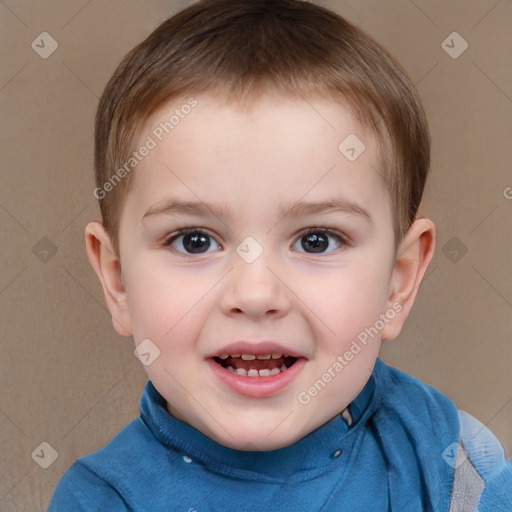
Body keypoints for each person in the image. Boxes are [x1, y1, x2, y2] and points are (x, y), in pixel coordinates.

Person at [48, 0, 512, 510]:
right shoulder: (102, 500)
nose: (255, 294)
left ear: (398, 283)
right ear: (117, 282)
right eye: (194, 240)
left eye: (316, 240)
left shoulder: (455, 468)